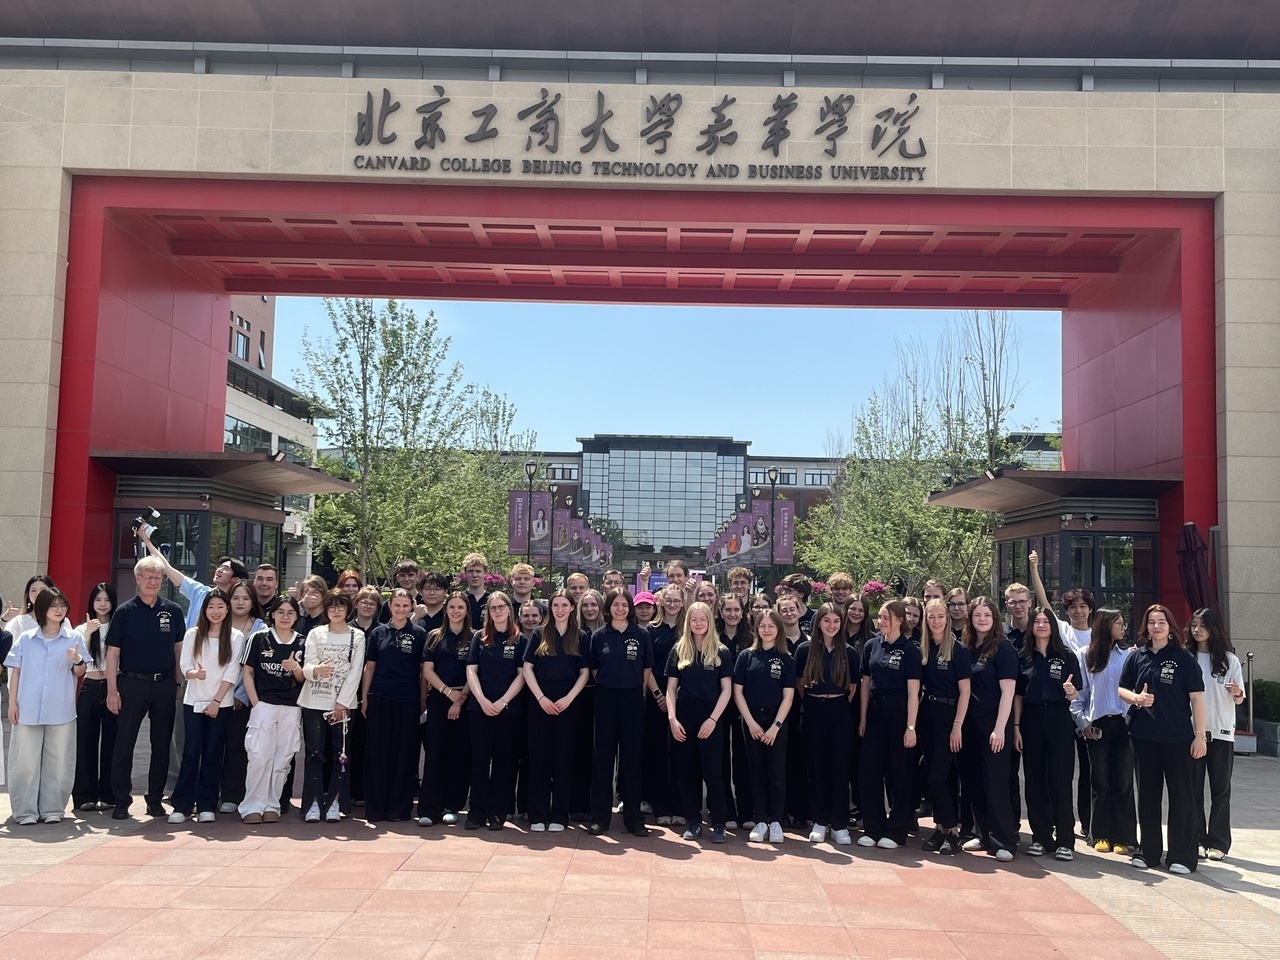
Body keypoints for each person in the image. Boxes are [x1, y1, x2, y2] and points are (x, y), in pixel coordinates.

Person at [1119, 604, 1207, 874]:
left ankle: (1182, 856)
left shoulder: (1183, 658)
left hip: (1178, 739)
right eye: (1151, 622)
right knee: (1147, 796)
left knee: (1182, 798)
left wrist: (1199, 736)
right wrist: (1136, 698)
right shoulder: (1137, 657)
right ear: (1145, 627)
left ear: (1170, 627)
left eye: (1161, 622)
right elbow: (1122, 688)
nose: (1156, 626)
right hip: (1144, 737)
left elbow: (1197, 699)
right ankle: (1149, 852)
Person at [107, 555, 186, 820]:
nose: (153, 582)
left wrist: (177, 683)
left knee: (161, 744)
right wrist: (111, 690)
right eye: (148, 577)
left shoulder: (172, 611)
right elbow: (112, 654)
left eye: (157, 577)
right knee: (124, 743)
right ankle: (121, 800)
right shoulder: (124, 612)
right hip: (131, 684)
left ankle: (154, 800)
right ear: (137, 578)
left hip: (164, 684)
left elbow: (178, 650)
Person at [5, 587, 86, 824]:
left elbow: (81, 671)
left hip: (61, 709)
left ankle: (53, 809)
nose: (59, 610)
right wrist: (12, 704)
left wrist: (77, 660)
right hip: (27, 707)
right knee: (25, 761)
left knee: (59, 761)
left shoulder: (74, 638)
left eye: (63, 606)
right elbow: (16, 672)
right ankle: (25, 811)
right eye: (54, 606)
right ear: (42, 608)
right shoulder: (26, 639)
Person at [1014, 606, 1084, 860]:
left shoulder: (1066, 656)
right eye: (1037, 621)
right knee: (1034, 781)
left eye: (1046, 621)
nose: (1042, 625)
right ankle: (1041, 837)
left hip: (1059, 719)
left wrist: (1070, 692)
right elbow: (1018, 696)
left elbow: (1077, 692)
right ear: (1031, 626)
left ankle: (1066, 839)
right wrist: (1016, 728)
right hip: (1031, 720)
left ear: (1053, 626)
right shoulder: (1023, 656)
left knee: (1060, 780)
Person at [169, 590, 244, 824]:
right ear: (204, 610)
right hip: (193, 702)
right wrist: (195, 674)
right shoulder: (193, 634)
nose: (216, 611)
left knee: (213, 754)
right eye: (211, 606)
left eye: (220, 606)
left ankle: (207, 805)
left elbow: (232, 672)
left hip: (220, 704)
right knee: (191, 753)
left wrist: (217, 702)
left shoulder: (235, 637)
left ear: (227, 609)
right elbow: (185, 666)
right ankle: (181, 805)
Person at [1067, 608, 1136, 856]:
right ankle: (1100, 834)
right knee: (1100, 780)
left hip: (1123, 722)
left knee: (1124, 780)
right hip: (1096, 724)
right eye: (1118, 623)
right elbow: (1078, 694)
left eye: (1123, 622)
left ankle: (1125, 836)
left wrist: (1130, 718)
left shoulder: (1129, 655)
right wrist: (1082, 722)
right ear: (1105, 625)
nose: (1123, 627)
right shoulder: (1085, 655)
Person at [587, 588, 654, 837]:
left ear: (630, 608)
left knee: (632, 760)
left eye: (624, 605)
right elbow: (594, 669)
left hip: (633, 698)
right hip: (605, 698)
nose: (620, 609)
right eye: (615, 605)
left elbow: (646, 669)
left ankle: (634, 818)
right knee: (602, 759)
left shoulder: (641, 634)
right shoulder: (599, 636)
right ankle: (600, 817)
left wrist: (637, 690)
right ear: (609, 608)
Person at [956, 597, 1018, 861]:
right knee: (973, 783)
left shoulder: (1003, 649)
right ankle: (983, 835)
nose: (982, 619)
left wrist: (1000, 728)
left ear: (995, 619)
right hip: (968, 724)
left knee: (995, 783)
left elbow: (1008, 692)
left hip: (993, 723)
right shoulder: (967, 648)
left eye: (987, 615)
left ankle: (1004, 840)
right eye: (977, 615)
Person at [857, 600, 923, 849]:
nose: (882, 621)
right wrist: (863, 718)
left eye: (887, 617)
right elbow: (865, 683)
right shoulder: (872, 645)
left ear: (899, 620)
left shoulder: (910, 650)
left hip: (900, 714)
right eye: (880, 617)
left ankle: (896, 831)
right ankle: (873, 827)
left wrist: (911, 727)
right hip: (874, 713)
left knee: (900, 774)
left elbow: (913, 692)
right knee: (869, 772)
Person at [523, 589, 590, 832]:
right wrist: (540, 697)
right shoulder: (540, 633)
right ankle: (537, 814)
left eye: (564, 605)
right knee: (539, 759)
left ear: (572, 608)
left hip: (568, 703)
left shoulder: (581, 636)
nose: (560, 609)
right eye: (555, 605)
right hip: (540, 701)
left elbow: (584, 672)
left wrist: (569, 698)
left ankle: (560, 815)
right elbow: (528, 668)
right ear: (550, 608)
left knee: (564, 760)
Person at [666, 601, 733, 843]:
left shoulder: (721, 651)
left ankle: (719, 824)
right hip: (684, 714)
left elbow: (727, 689)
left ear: (709, 621)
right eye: (693, 619)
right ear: (688, 622)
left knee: (713, 773)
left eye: (702, 619)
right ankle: (693, 821)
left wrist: (713, 719)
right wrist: (672, 718)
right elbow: (671, 688)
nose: (698, 623)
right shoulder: (679, 649)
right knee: (687, 772)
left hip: (711, 716)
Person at [297, 591, 365, 823]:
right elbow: (306, 667)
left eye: (341, 607)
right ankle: (313, 803)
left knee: (341, 754)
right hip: (314, 701)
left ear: (348, 609)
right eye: (332, 607)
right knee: (314, 753)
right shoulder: (316, 633)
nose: (336, 611)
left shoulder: (357, 636)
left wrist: (342, 702)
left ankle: (335, 801)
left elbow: (356, 672)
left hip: (342, 705)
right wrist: (316, 670)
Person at [362, 588, 428, 822]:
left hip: (408, 700)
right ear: (390, 606)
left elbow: (423, 673)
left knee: (404, 754)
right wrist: (365, 698)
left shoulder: (420, 634)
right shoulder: (378, 632)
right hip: (380, 697)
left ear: (412, 607)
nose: (401, 609)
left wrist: (421, 700)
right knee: (378, 753)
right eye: (396, 605)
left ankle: (399, 809)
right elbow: (369, 667)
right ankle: (376, 808)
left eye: (405, 605)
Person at [238, 597, 305, 824]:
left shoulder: (302, 642)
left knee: (282, 759)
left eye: (290, 613)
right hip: (264, 705)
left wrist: (294, 667)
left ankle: (272, 804)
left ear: (296, 617)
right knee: (258, 756)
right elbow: (248, 672)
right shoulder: (259, 638)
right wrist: (255, 702)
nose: (285, 617)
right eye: (280, 612)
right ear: (273, 614)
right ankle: (251, 806)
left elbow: (302, 678)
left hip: (291, 707)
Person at [795, 602, 856, 845]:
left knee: (840, 769)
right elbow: (800, 683)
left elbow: (852, 687)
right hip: (813, 710)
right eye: (827, 620)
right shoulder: (804, 649)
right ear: (818, 622)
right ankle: (820, 821)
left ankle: (839, 824)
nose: (831, 626)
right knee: (816, 769)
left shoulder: (849, 652)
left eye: (836, 621)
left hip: (840, 712)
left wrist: (835, 701)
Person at [733, 608, 794, 844]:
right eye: (762, 626)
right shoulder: (747, 656)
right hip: (751, 721)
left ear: (778, 629)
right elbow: (738, 692)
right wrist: (750, 723)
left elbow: (788, 696)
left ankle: (776, 821)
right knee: (756, 771)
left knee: (777, 773)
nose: (766, 630)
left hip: (776, 722)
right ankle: (761, 820)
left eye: (771, 626)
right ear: (756, 629)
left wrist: (775, 726)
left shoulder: (785, 658)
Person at [465, 591, 526, 830]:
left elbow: (522, 675)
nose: (498, 611)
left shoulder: (519, 639)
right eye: (493, 608)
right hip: (480, 709)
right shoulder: (479, 637)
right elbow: (471, 670)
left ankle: (498, 812)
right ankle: (476, 812)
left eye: (502, 607)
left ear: (509, 610)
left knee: (504, 762)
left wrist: (502, 702)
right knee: (479, 761)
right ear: (488, 612)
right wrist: (482, 700)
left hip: (509, 710)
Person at [1188, 608, 1243, 861]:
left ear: (1213, 628)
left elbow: (1240, 698)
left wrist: (1236, 692)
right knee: (1193, 789)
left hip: (1221, 733)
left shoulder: (1229, 660)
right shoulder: (1186, 657)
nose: (1197, 630)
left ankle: (1219, 842)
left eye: (1202, 625)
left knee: (1221, 790)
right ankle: (1197, 839)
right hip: (1192, 733)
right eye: (1194, 625)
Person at [919, 598, 970, 854]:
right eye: (931, 617)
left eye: (940, 616)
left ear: (947, 618)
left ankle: (951, 827)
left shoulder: (958, 649)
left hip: (949, 714)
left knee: (937, 777)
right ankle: (941, 831)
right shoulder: (924, 649)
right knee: (938, 776)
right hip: (927, 713)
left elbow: (965, 691)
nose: (936, 621)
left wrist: (957, 725)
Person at [419, 592, 473, 826]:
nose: (456, 611)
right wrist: (447, 693)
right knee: (434, 752)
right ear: (446, 610)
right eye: (452, 607)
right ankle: (430, 808)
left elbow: (475, 671)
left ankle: (452, 805)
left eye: (461, 607)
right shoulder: (433, 637)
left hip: (467, 698)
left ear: (466, 611)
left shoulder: (475, 637)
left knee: (459, 754)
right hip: (440, 698)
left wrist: (459, 700)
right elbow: (427, 670)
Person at [219, 579, 266, 815]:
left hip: (243, 698)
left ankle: (232, 795)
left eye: (245, 598)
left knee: (237, 747)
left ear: (253, 602)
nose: (240, 602)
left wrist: (241, 695)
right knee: (213, 746)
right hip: (215, 696)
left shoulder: (261, 628)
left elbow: (258, 668)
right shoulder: (218, 622)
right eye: (235, 597)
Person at [73, 583, 118, 812]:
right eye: (98, 599)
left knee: (112, 742)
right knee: (86, 742)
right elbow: (78, 663)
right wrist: (89, 632)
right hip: (90, 686)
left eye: (107, 600)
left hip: (113, 686)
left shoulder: (119, 626)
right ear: (91, 602)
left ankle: (108, 794)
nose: (102, 604)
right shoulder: (82, 629)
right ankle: (83, 795)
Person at [643, 585, 681, 826]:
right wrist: (659, 694)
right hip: (655, 693)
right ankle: (660, 806)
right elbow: (646, 666)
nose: (673, 604)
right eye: (668, 600)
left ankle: (680, 805)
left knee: (679, 752)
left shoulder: (688, 629)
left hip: (681, 696)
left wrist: (674, 697)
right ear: (661, 602)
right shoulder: (650, 630)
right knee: (655, 751)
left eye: (677, 600)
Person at [718, 593, 753, 830]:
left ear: (742, 612)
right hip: (718, 704)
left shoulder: (751, 638)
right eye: (728, 610)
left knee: (743, 758)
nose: (732, 614)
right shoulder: (712, 636)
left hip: (743, 705)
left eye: (736, 610)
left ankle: (747, 810)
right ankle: (724, 809)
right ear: (720, 612)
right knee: (719, 759)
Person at [2, 574, 56, 640]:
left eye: (43, 590)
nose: (38, 594)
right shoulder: (19, 622)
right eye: (33, 590)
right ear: (28, 595)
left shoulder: (62, 621)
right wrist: (3, 620)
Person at [462, 553, 490, 629]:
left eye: (478, 571)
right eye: (470, 571)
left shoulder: (492, 600)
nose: (474, 575)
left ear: (485, 573)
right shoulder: (460, 599)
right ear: (465, 573)